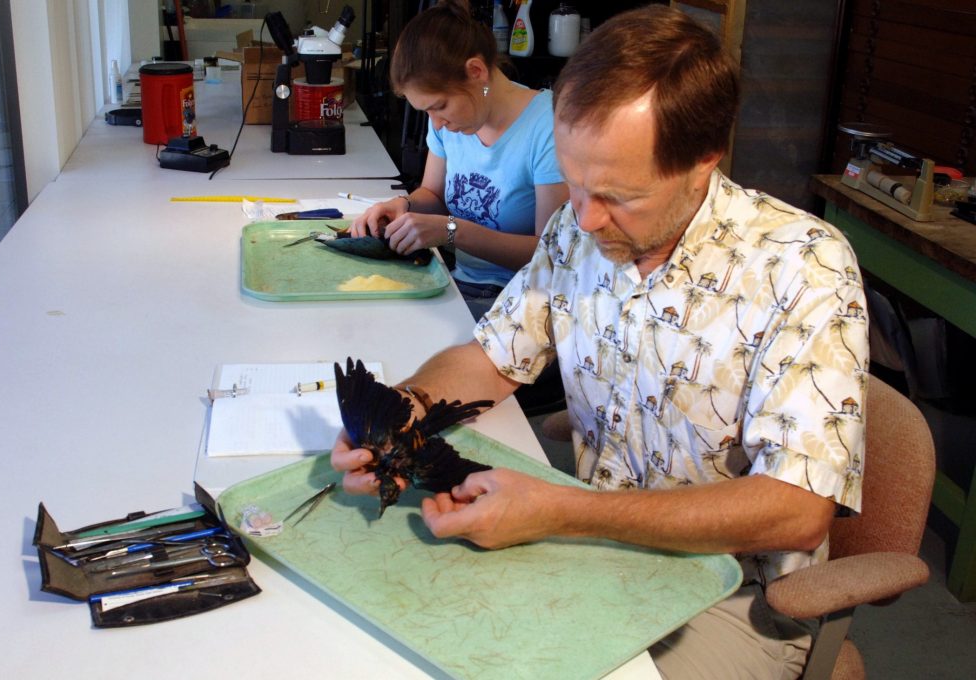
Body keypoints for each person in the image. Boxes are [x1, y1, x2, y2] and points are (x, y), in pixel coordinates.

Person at [333, 5, 869, 678]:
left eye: (618, 197)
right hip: (589, 546)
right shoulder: (579, 231)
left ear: (704, 160)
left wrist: (567, 510)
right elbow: (489, 355)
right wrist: (403, 406)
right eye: (575, 182)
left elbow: (795, 511)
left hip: (734, 598)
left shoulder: (801, 266)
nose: (584, 218)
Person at [350, 0, 569, 320]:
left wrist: (452, 231)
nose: (436, 124)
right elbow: (434, 195)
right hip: (456, 285)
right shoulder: (449, 121)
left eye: (439, 106)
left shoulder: (548, 126)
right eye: (427, 111)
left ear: (476, 72)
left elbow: (550, 255)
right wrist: (404, 206)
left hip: (521, 302)